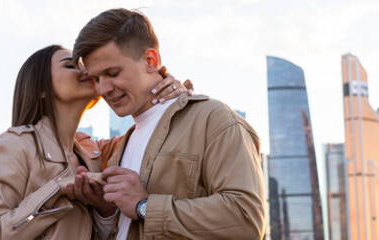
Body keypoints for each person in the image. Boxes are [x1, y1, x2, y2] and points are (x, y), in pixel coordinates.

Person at [67, 8, 267, 240]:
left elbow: (246, 219)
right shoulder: (118, 148)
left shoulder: (213, 119)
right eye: (96, 79)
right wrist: (105, 210)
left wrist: (145, 206)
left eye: (113, 73)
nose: (103, 89)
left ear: (150, 61)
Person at [0, 44, 190, 239]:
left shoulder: (96, 153)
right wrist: (56, 188)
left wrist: (171, 94)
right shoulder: (15, 145)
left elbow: (151, 135)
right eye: (71, 65)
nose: (87, 71)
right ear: (41, 89)